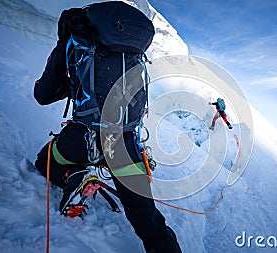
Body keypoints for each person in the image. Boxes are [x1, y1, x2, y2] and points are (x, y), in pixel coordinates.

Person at [33, 2, 181, 252]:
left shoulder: (74, 43)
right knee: (146, 216)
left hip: (83, 140)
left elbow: (43, 94)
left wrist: (70, 82)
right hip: (126, 144)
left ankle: (74, 176)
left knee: (45, 161)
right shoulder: (129, 53)